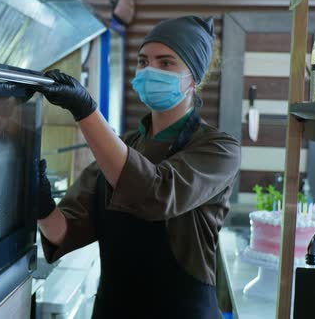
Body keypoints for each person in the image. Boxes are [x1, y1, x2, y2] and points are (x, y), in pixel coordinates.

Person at [34, 16, 241, 319]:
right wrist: (41, 204)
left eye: (166, 63)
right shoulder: (122, 147)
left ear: (193, 79)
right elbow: (64, 231)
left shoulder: (218, 149)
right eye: (143, 61)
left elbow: (156, 193)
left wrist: (85, 110)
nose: (149, 71)